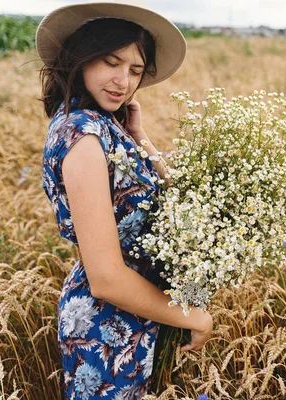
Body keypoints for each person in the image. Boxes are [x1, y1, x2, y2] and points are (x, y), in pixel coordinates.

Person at [36, 2, 213, 398]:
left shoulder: (107, 124)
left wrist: (139, 134)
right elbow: (105, 279)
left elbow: (174, 197)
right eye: (111, 62)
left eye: (135, 70)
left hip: (142, 312)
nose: (122, 81)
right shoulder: (83, 137)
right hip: (107, 327)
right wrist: (193, 316)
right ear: (80, 59)